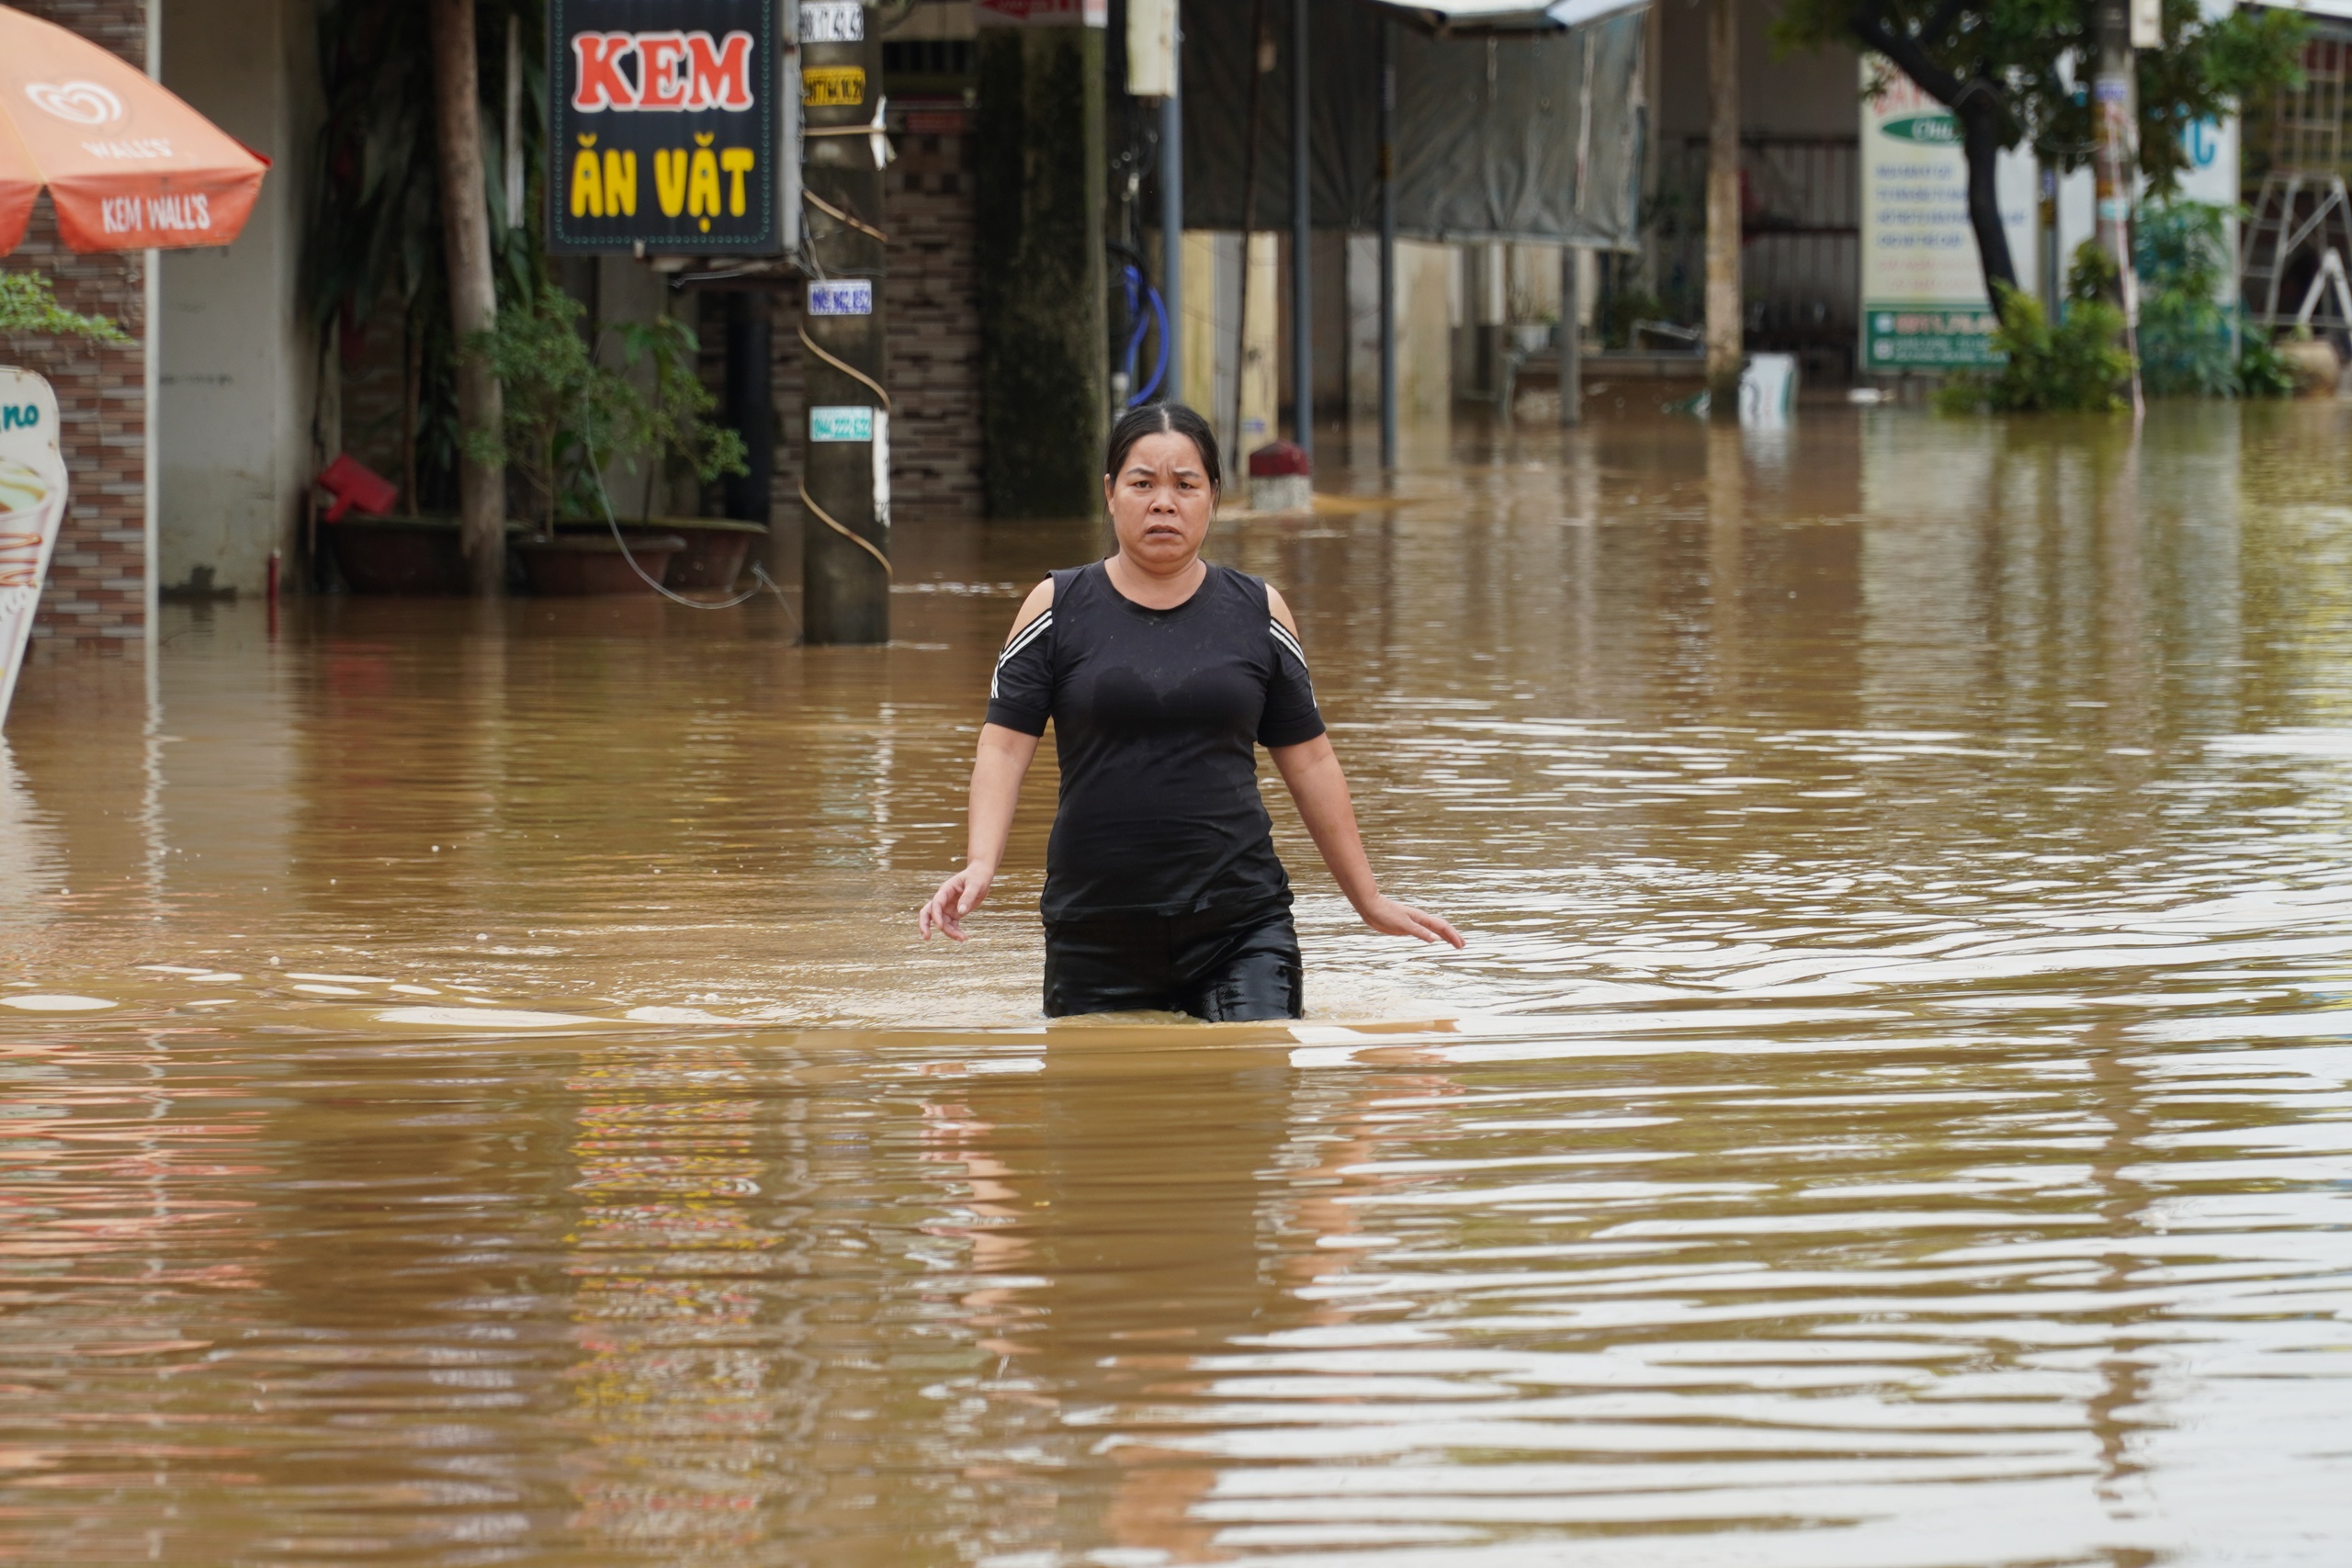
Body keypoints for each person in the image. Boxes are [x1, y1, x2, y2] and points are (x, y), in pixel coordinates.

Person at [916, 401, 1463, 1020]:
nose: (1163, 502)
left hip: (1242, 927)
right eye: (1142, 483)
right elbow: (1004, 745)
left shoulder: (1260, 611)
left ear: (1214, 497)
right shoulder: (1054, 608)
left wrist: (1366, 897)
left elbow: (1310, 759)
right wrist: (981, 861)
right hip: (1096, 930)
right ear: (1111, 493)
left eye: (1185, 484)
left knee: (1252, 1089)